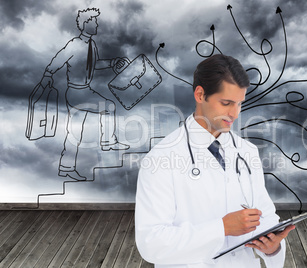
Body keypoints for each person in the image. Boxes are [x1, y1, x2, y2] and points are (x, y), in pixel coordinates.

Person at [135, 54, 294, 267]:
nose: (234, 114)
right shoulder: (160, 158)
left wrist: (272, 248)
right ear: (200, 94)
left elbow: (265, 217)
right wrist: (222, 228)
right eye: (226, 103)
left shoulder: (247, 152)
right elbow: (151, 244)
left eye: (239, 104)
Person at [40, 8, 129, 181]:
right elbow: (58, 59)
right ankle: (108, 143)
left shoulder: (91, 44)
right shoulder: (74, 44)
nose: (96, 25)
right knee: (108, 107)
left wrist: (112, 63)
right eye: (94, 22)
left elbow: (95, 65)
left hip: (84, 90)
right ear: (86, 24)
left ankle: (66, 167)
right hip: (76, 91)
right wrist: (48, 74)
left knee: (75, 133)